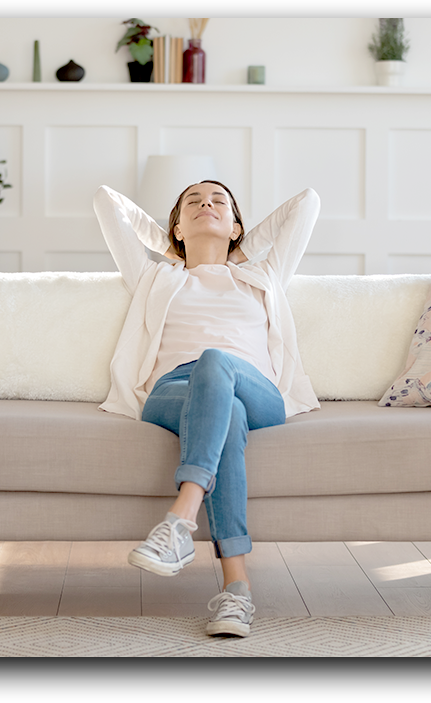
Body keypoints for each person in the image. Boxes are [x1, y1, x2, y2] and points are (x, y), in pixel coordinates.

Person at [93, 180, 320, 637]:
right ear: (175, 225)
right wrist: (172, 244)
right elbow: (105, 199)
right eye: (192, 203)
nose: (205, 205)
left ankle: (180, 520)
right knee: (226, 413)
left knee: (216, 360)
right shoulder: (156, 276)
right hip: (173, 391)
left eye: (219, 202)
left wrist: (238, 244)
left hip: (257, 391)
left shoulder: (262, 274)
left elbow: (307, 203)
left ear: (238, 225)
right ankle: (237, 592)